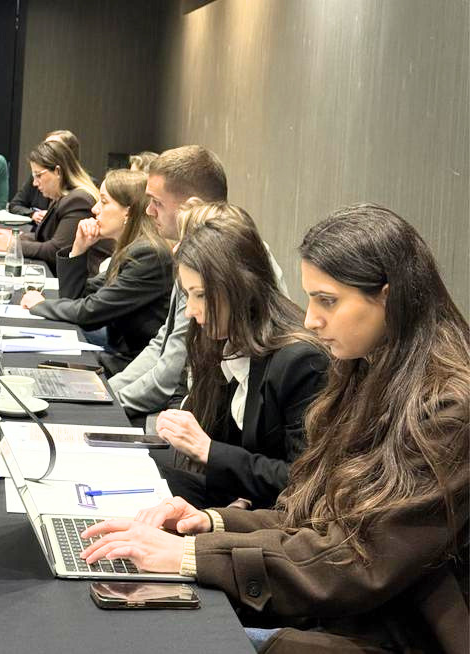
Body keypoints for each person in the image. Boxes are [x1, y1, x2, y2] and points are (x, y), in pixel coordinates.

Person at [81, 204, 469, 654]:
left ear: (388, 297)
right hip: (344, 611)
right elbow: (309, 511)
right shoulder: (367, 370)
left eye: (328, 300)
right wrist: (210, 522)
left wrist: (191, 556)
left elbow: (358, 561)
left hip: (392, 634)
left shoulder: (447, 410)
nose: (310, 319)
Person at [153, 200, 328, 509]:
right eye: (188, 295)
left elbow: (303, 480)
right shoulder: (221, 334)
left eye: (201, 295)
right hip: (236, 501)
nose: (192, 311)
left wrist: (208, 450)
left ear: (240, 286)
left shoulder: (300, 361)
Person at [106, 145, 228, 416]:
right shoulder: (191, 248)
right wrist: (105, 396)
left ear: (191, 206)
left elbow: (168, 375)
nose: (149, 211)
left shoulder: (220, 259)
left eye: (157, 202)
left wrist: (106, 405)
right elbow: (164, 342)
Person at [20, 169, 174, 374]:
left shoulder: (148, 254)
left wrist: (39, 305)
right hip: (115, 349)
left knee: (40, 366)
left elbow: (90, 312)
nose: (94, 209)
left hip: (132, 364)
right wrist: (78, 249)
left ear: (128, 211)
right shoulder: (130, 247)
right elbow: (75, 297)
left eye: (104, 201)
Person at [21, 140, 111, 276]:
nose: (34, 183)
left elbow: (55, 250)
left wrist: (12, 245)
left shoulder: (78, 200)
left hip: (84, 283)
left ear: (58, 171)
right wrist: (17, 238)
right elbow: (45, 238)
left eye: (38, 175)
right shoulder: (63, 197)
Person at [9, 130, 80, 222]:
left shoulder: (80, 192)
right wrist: (33, 214)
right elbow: (15, 204)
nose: (35, 183)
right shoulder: (39, 176)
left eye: (51, 148)